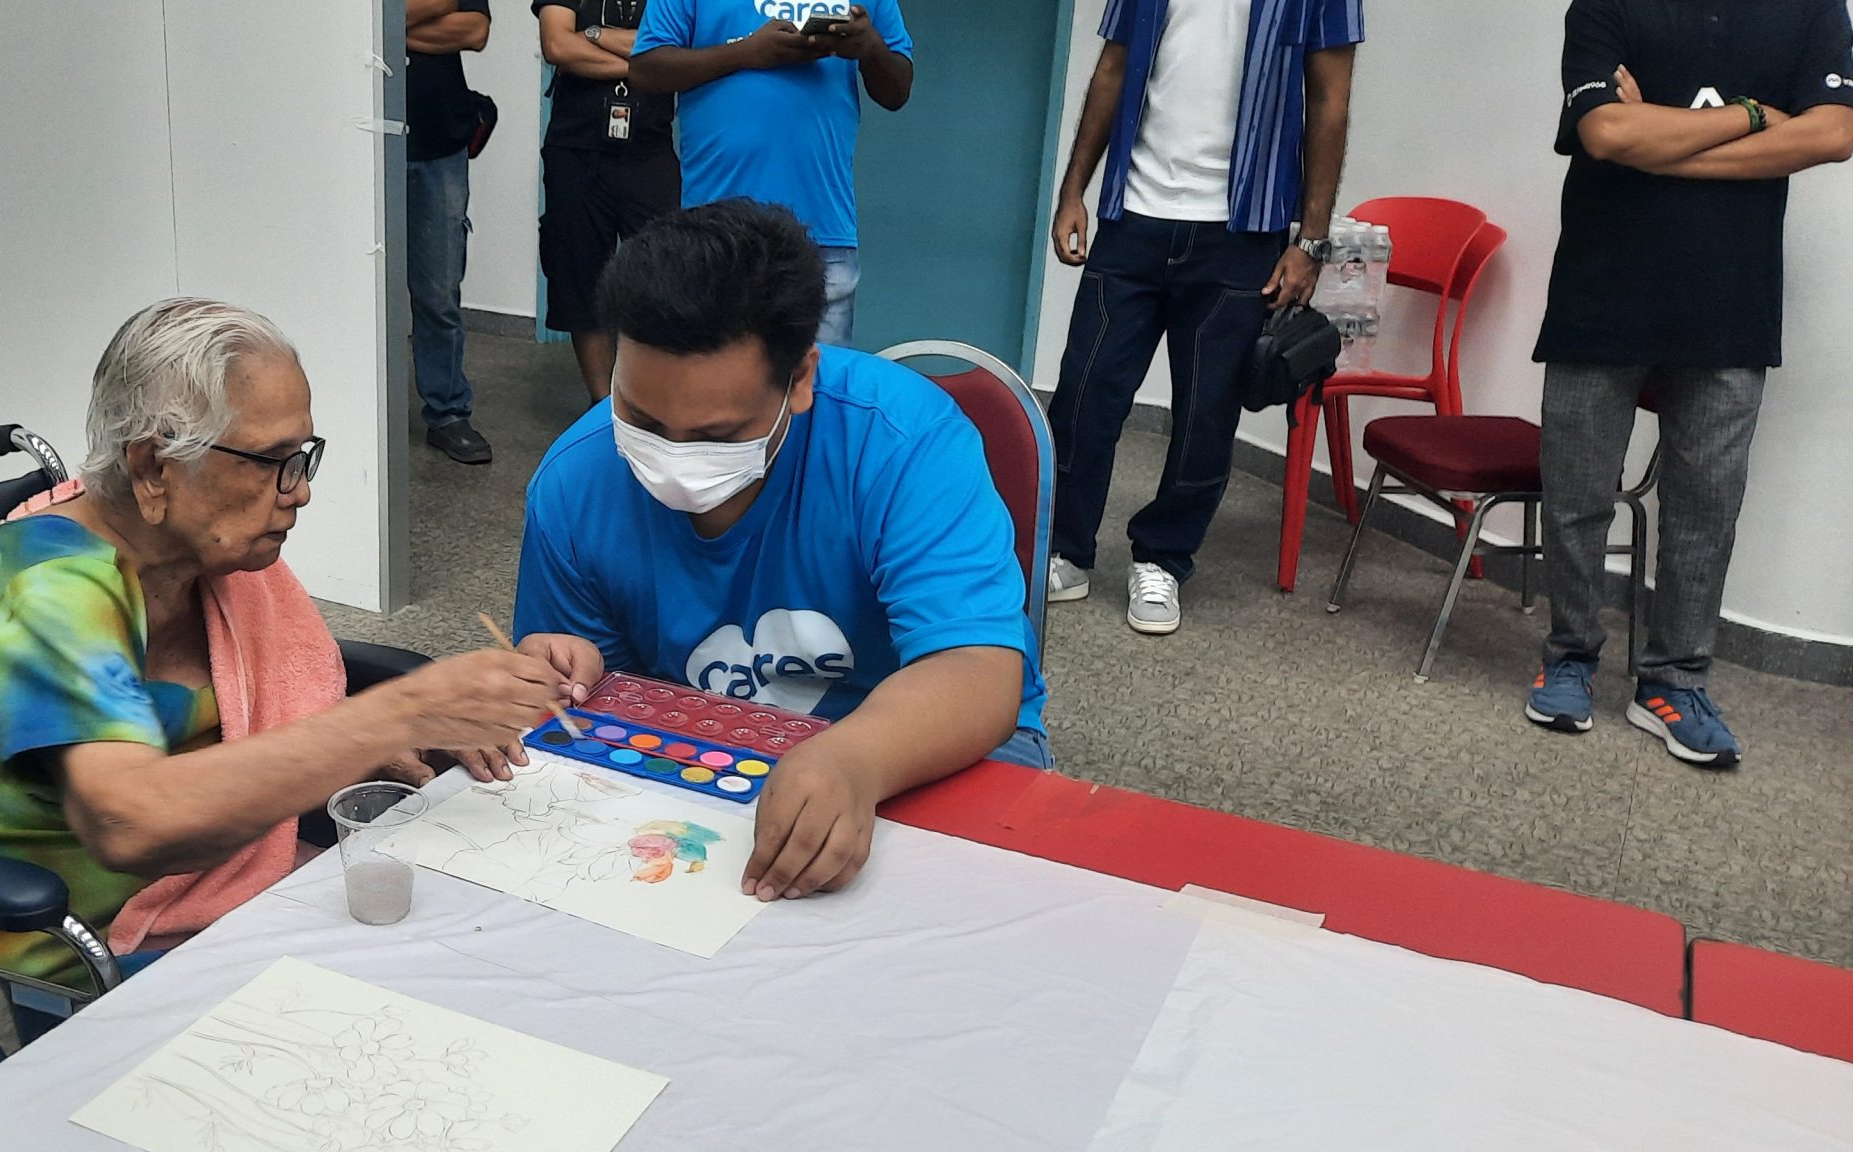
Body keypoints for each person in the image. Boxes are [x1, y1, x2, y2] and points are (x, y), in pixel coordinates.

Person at [0, 299, 572, 985]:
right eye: (270, 461)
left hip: (183, 887)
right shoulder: (43, 585)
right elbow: (130, 823)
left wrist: (373, 738)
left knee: (464, 934)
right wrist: (395, 712)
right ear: (151, 467)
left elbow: (238, 710)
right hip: (30, 931)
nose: (302, 492)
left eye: (304, 455)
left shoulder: (203, 562)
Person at [511, 201, 1048, 906]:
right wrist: (571, 674)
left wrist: (857, 757)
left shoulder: (903, 441)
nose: (672, 456)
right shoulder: (576, 480)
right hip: (703, 758)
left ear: (800, 379)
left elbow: (978, 671)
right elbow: (592, 709)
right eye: (642, 419)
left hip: (916, 746)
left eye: (717, 432)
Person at [1522, 0, 1853, 767]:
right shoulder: (1607, 5)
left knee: (1705, 511)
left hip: (1730, 305)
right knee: (1577, 496)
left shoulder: (1810, 11)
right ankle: (1569, 656)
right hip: (1599, 292)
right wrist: (1751, 117)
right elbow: (1605, 132)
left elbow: (1834, 133)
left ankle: (1674, 682)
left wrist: (1657, 145)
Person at [1043, 0, 1363, 635]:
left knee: (1206, 413)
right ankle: (1065, 549)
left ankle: (1162, 555)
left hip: (1241, 232)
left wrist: (1311, 240)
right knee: (1083, 395)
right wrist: (1074, 189)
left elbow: (1330, 97)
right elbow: (1114, 64)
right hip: (1133, 218)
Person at [626, 1, 912, 348]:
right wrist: (746, 52)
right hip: (715, 233)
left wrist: (870, 47)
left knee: (814, 389)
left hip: (823, 233)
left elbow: (897, 90)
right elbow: (645, 70)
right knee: (715, 392)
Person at [535, 0, 681, 403]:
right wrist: (649, 65)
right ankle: (603, 408)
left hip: (649, 153)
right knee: (581, 277)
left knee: (663, 280)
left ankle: (648, 400)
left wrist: (594, 36)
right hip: (575, 150)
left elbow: (680, 55)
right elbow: (558, 46)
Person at [407, 0, 497, 464]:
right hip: (356, 136)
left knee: (439, 292)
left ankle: (447, 414)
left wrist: (388, 28)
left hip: (438, 142)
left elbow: (475, 29)